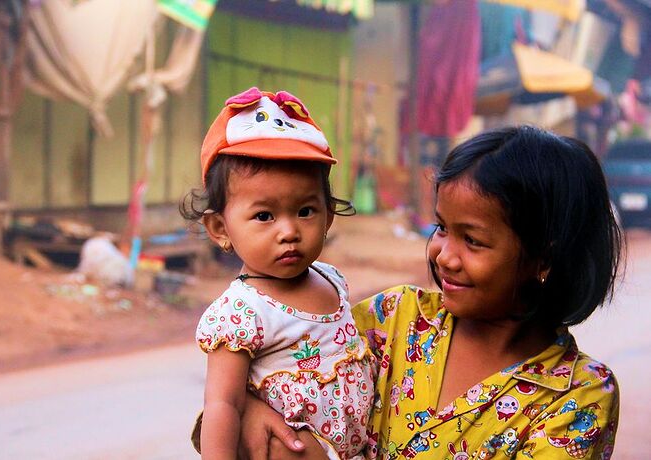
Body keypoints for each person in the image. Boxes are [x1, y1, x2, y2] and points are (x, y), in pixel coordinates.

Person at [236, 125, 622, 459]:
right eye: (441, 228)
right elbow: (277, 377)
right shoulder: (395, 317)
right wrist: (250, 412)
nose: (444, 256)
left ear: (543, 258)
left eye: (472, 240)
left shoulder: (576, 396)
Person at [182, 87, 376, 459]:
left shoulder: (333, 280)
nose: (288, 231)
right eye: (264, 216)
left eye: (305, 211)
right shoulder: (240, 313)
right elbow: (222, 404)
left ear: (328, 216)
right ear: (220, 229)